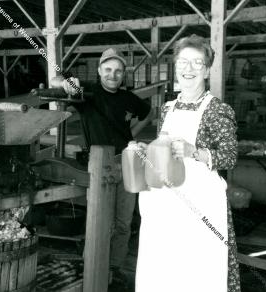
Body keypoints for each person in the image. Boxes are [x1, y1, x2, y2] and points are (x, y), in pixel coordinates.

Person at [135, 34, 241, 292]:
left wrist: (196, 152)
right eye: (184, 62)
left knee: (198, 271)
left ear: (206, 69)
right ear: (176, 66)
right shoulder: (167, 108)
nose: (189, 69)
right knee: (165, 270)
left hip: (201, 207)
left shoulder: (217, 109)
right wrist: (146, 151)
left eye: (197, 63)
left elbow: (229, 156)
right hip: (167, 206)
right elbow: (165, 153)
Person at [62, 48, 154, 286]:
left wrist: (131, 134)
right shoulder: (89, 93)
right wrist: (67, 84)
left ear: (123, 74)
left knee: (123, 222)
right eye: (108, 70)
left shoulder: (127, 98)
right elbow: (56, 80)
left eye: (118, 71)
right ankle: (92, 267)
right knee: (99, 220)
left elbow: (148, 112)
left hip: (127, 161)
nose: (113, 75)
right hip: (100, 164)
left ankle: (114, 268)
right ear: (100, 71)